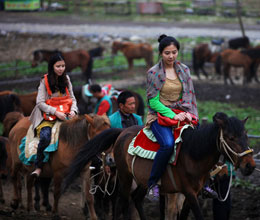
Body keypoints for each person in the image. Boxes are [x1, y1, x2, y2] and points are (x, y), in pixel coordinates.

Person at [145, 34, 217, 200]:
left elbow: (190, 96)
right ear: (160, 53)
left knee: (202, 143)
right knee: (168, 145)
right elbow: (153, 102)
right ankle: (152, 183)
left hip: (184, 112)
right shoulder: (153, 73)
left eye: (174, 52)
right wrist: (173, 116)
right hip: (159, 116)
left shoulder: (184, 70)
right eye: (167, 53)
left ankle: (205, 183)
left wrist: (190, 116)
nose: (171, 56)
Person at [30, 53, 78, 177]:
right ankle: (39, 166)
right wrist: (56, 112)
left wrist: (73, 111)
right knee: (45, 137)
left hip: (67, 115)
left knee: (83, 133)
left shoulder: (66, 79)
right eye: (58, 66)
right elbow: (39, 102)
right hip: (47, 117)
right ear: (52, 67)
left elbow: (73, 98)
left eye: (63, 66)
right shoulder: (44, 81)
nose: (61, 69)